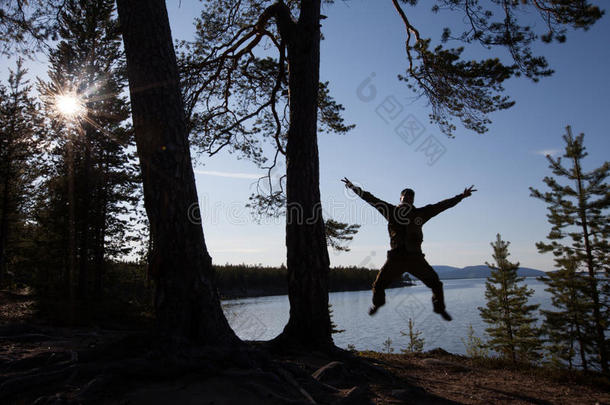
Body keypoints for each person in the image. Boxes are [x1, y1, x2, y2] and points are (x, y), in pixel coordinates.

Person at [341, 178, 476, 321]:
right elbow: (370, 199)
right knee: (378, 285)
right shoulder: (390, 211)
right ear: (400, 198)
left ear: (413, 201)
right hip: (396, 258)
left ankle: (440, 309)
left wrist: (461, 196)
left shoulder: (421, 213)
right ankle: (378, 304)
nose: (407, 199)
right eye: (405, 197)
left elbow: (442, 206)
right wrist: (352, 187)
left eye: (410, 197)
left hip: (415, 258)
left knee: (436, 284)